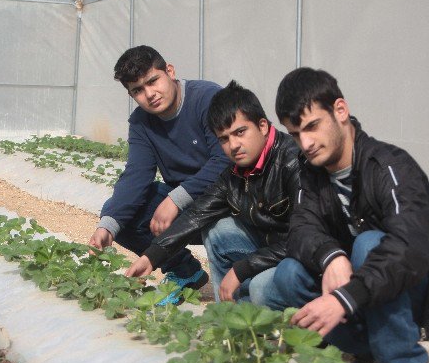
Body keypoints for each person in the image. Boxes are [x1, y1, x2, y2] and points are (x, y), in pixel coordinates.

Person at [266, 67, 429, 363]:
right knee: (288, 275)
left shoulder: (389, 166)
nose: (305, 143)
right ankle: (372, 354)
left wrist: (345, 298)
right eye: (295, 133)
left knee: (369, 245)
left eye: (313, 126)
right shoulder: (310, 172)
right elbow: (301, 228)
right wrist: (331, 257)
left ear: (340, 111)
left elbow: (409, 248)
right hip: (371, 286)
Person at [125, 80, 301, 305]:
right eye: (224, 139)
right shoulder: (235, 172)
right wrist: (153, 255)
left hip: (300, 258)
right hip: (269, 249)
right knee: (218, 230)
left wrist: (241, 269)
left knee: (260, 288)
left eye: (240, 132)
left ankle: (260, 316)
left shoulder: (294, 163)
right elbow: (197, 214)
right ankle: (228, 316)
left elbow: (303, 240)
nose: (234, 145)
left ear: (263, 126)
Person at [88, 46, 229, 300]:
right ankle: (185, 271)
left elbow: (225, 161)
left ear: (170, 71)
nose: (149, 94)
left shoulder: (208, 99)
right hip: (189, 209)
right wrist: (107, 226)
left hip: (230, 202)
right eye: (138, 91)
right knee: (122, 215)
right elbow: (136, 175)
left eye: (153, 81)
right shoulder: (142, 122)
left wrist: (176, 199)